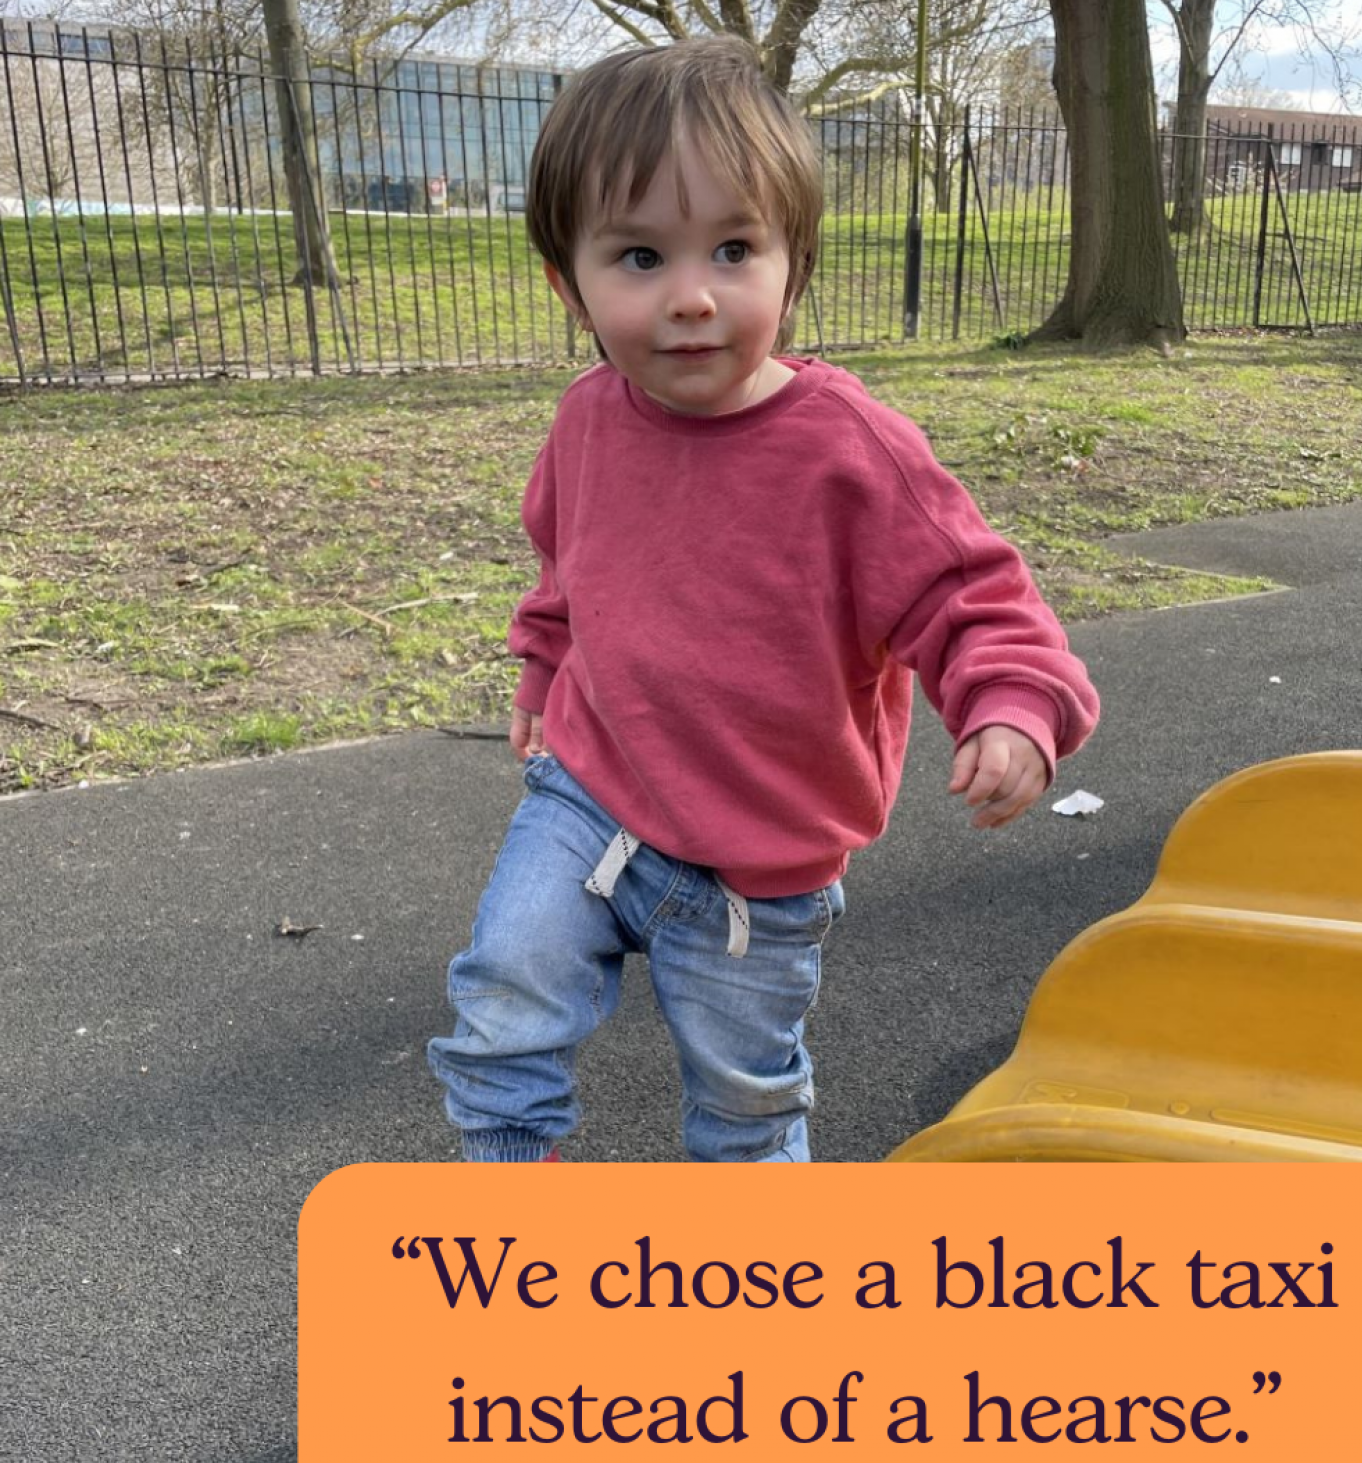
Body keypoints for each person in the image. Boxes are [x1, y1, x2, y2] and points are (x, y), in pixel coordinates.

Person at [427, 36, 1100, 1163]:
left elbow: (973, 595)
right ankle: (504, 1224)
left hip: (759, 865)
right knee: (502, 1009)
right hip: (592, 797)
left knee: (744, 1110)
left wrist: (1013, 706)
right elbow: (566, 568)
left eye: (732, 250)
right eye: (639, 257)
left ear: (795, 267)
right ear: (569, 284)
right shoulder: (588, 419)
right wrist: (544, 675)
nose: (692, 298)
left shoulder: (850, 452)